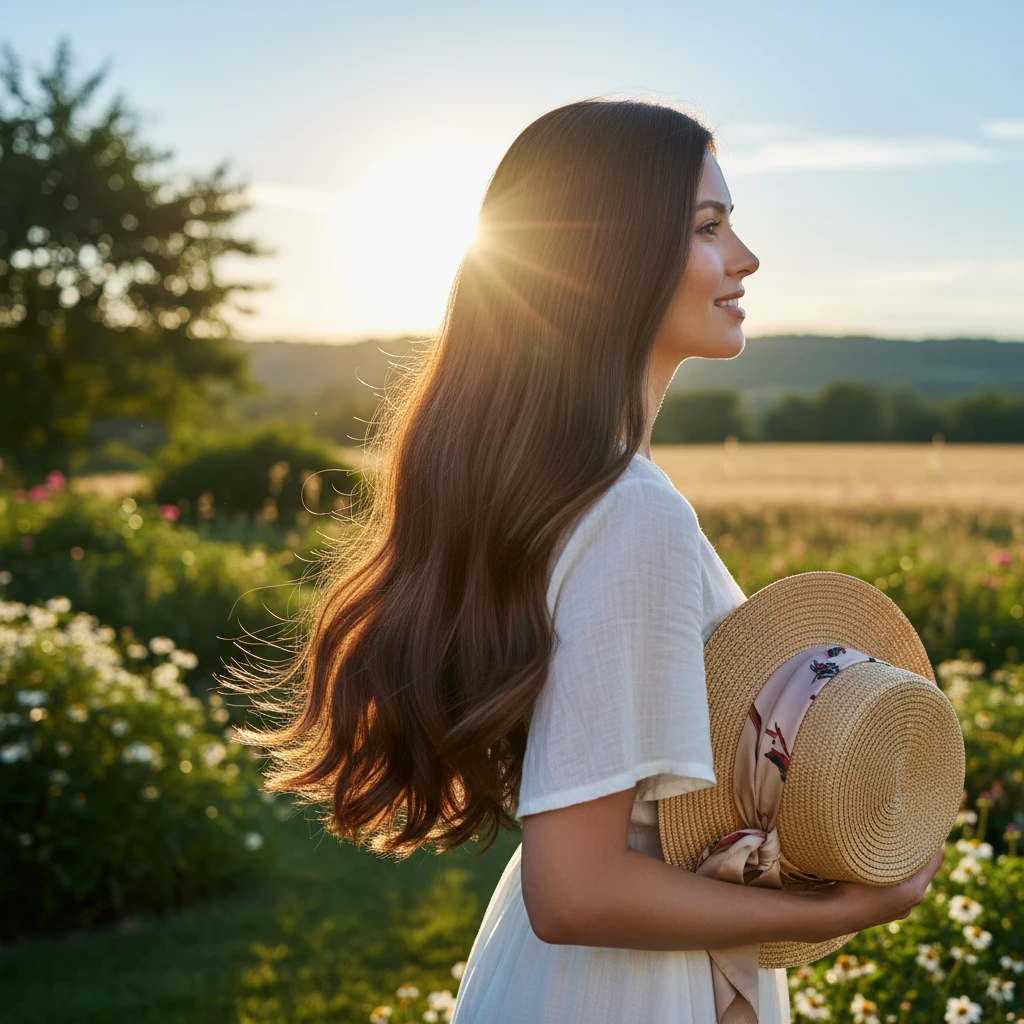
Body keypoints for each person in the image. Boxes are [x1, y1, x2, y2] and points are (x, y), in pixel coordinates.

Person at [221, 98, 945, 1023]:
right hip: (627, 993)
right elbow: (575, 890)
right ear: (615, 258)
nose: (746, 258)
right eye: (710, 228)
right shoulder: (632, 510)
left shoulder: (581, 486)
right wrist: (841, 908)